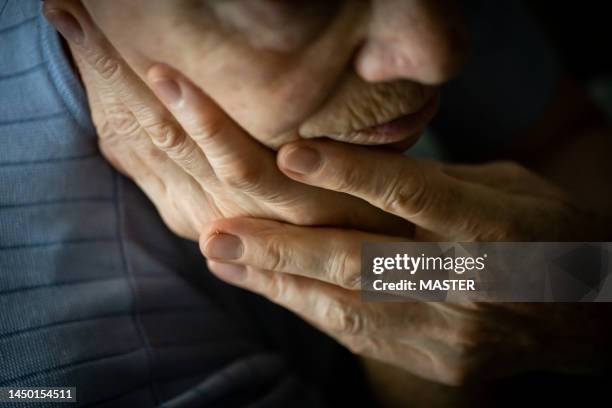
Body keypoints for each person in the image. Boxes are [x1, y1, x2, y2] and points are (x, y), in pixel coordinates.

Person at [1, 0, 611, 406]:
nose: (439, 51)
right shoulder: (43, 364)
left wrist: (588, 285)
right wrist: (410, 347)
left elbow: (562, 134)